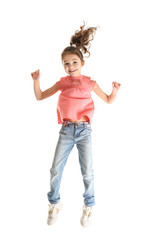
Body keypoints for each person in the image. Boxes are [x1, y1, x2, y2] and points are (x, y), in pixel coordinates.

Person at [31, 23, 121, 228]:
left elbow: (108, 100)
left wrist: (115, 90)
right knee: (55, 169)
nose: (70, 66)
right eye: (66, 63)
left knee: (87, 170)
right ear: (63, 66)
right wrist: (36, 81)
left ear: (81, 63)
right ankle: (54, 203)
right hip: (66, 130)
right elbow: (39, 96)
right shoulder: (62, 83)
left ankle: (89, 206)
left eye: (74, 62)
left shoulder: (90, 83)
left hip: (84, 131)